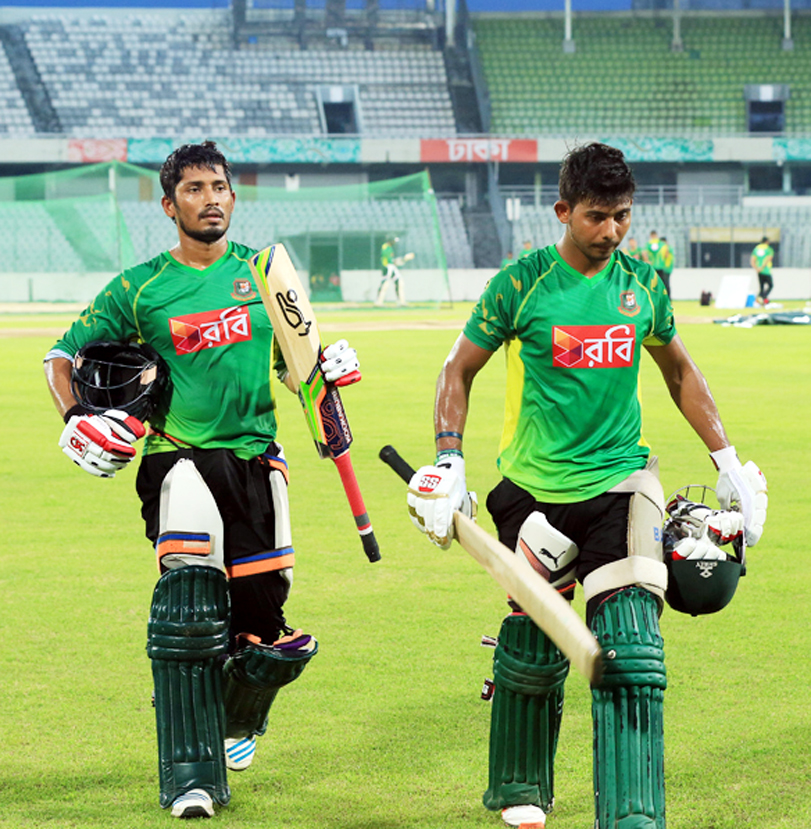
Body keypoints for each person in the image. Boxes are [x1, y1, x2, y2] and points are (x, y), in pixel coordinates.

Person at [405, 142, 767, 829]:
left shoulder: (641, 284)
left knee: (630, 644)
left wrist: (725, 458)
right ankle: (520, 784)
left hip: (622, 481)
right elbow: (457, 369)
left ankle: (632, 814)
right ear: (562, 210)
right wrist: (448, 459)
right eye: (597, 217)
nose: (611, 232)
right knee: (535, 641)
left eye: (622, 216)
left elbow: (679, 371)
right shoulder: (521, 283)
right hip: (532, 489)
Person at [43, 141, 363, 820]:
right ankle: (190, 774)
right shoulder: (138, 288)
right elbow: (61, 354)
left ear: (232, 197)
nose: (210, 198)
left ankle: (238, 717)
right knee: (191, 604)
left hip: (255, 460)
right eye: (194, 188)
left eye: (219, 186)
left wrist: (326, 365)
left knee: (262, 631)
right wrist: (74, 416)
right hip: (175, 456)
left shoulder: (262, 273)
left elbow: (295, 364)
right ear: (169, 204)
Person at [376, 235, 406, 306]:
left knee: (399, 282)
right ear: (390, 240)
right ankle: (378, 302)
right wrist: (397, 261)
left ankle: (401, 301)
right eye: (394, 241)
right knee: (384, 284)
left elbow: (391, 260)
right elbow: (388, 259)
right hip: (387, 267)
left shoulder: (389, 247)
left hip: (391, 267)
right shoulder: (386, 247)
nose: (394, 242)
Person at [643, 229, 670, 295]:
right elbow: (667, 254)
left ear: (651, 236)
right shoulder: (662, 244)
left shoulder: (649, 244)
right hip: (661, 266)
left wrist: (647, 260)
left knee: (651, 284)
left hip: (652, 267)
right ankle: (665, 299)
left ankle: (652, 298)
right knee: (663, 284)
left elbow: (644, 253)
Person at [750, 236, 775, 306]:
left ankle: (760, 299)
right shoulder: (768, 249)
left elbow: (752, 260)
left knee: (761, 287)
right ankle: (763, 297)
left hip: (759, 271)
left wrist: (757, 268)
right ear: (767, 242)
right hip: (766, 270)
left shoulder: (756, 248)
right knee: (770, 285)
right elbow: (768, 259)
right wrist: (762, 267)